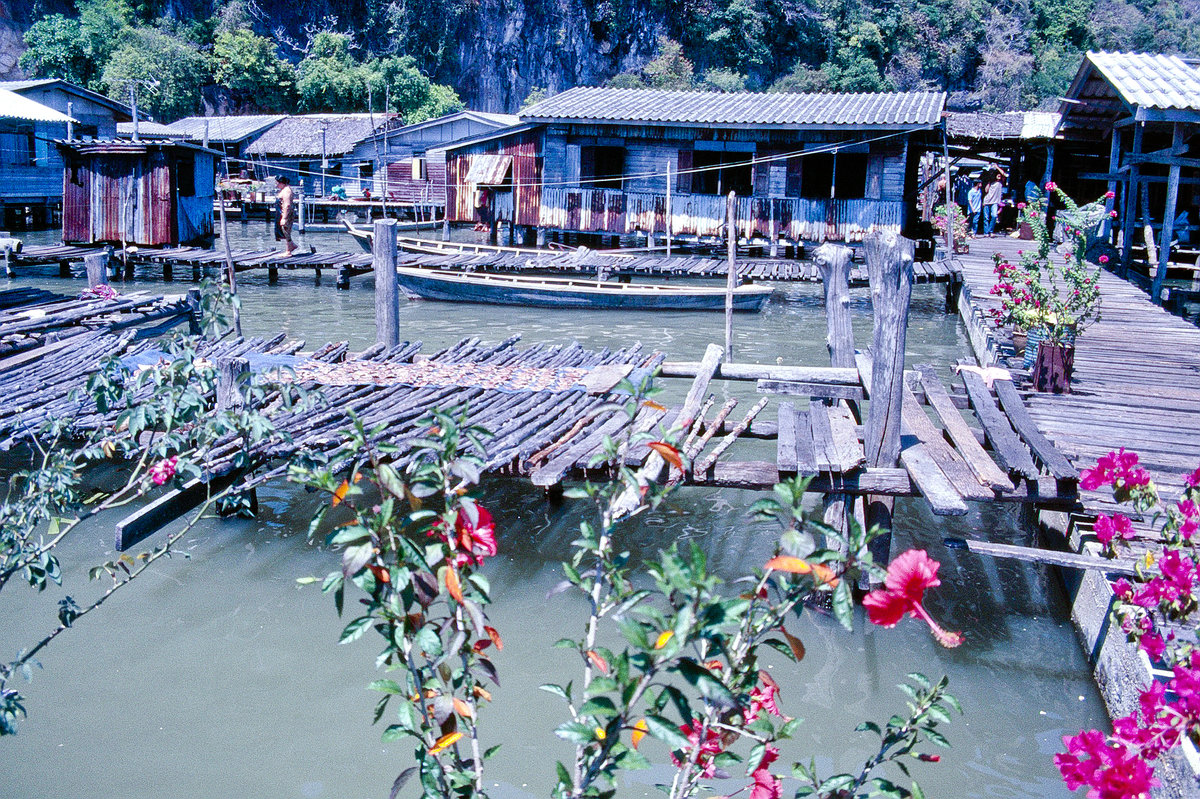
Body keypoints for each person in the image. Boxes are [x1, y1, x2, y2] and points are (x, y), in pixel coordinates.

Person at [274, 175, 297, 256]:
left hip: (286, 213)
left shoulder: (287, 191)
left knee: (286, 229)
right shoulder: (284, 189)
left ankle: (288, 251)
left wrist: (284, 218)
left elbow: (287, 205)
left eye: (277, 183)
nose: (276, 184)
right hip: (281, 212)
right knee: (283, 230)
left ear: (281, 183)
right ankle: (291, 246)